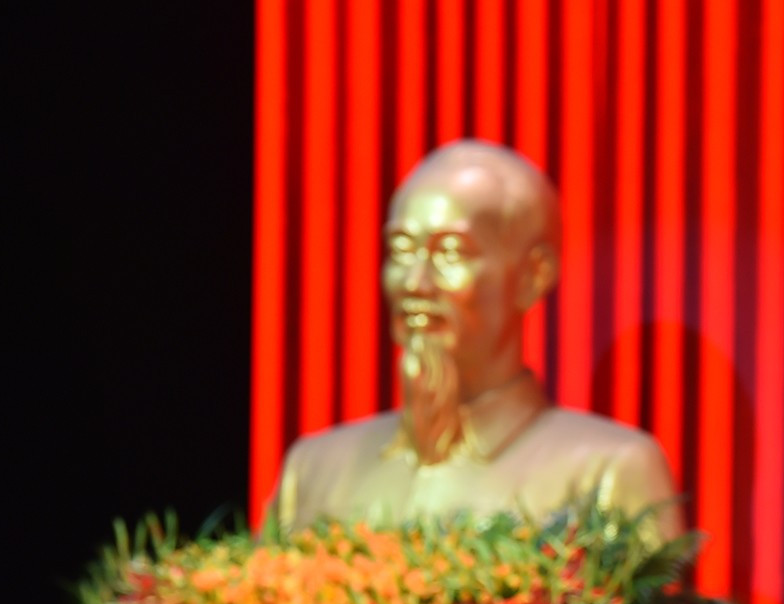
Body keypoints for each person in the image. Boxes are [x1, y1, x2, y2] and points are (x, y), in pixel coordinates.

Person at [269, 141, 680, 538]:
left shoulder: (607, 474)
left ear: (533, 275)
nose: (416, 282)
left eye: (450, 253)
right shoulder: (313, 471)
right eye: (401, 250)